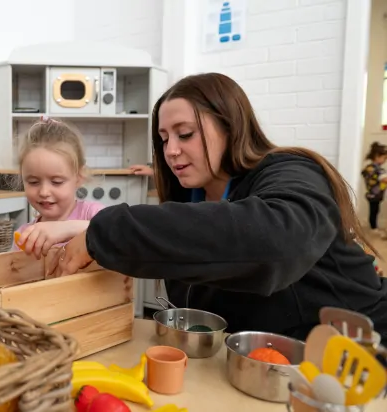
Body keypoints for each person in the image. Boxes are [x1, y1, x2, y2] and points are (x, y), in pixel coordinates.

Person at [48, 72, 387, 341]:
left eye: (185, 134)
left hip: (361, 355)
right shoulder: (190, 199)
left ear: (231, 126)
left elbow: (274, 242)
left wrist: (105, 232)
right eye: (164, 139)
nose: (171, 151)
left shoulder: (292, 171)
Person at [13, 117, 105, 259]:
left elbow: (120, 235)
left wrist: (67, 228)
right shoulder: (25, 235)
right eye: (33, 182)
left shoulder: (92, 214)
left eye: (56, 182)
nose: (44, 192)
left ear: (79, 177)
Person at [361, 142, 387, 238]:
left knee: (375, 210)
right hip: (373, 195)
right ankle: (373, 228)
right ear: (377, 156)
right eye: (384, 158)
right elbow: (383, 178)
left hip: (375, 194)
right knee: (374, 211)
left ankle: (374, 227)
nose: (384, 160)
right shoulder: (374, 169)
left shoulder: (372, 168)